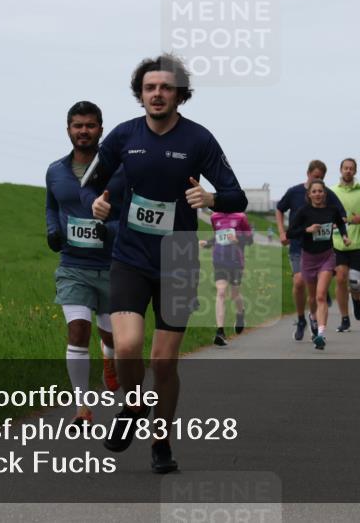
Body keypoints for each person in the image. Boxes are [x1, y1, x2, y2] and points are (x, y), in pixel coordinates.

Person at [89, 54, 247, 473]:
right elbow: (96, 185)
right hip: (130, 257)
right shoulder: (123, 136)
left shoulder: (199, 141)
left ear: (180, 94)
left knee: (163, 363)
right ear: (140, 95)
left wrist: (211, 199)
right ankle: (133, 406)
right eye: (149, 88)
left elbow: (236, 196)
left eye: (165, 88)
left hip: (178, 260)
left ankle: (161, 440)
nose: (157, 94)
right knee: (125, 346)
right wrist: (100, 204)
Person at [45, 102, 123, 426]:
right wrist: (52, 230)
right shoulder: (55, 170)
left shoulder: (117, 171)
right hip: (73, 265)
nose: (83, 131)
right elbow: (52, 206)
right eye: (77, 125)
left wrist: (110, 229)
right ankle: (82, 408)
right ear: (68, 130)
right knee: (78, 330)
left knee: (110, 338)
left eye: (90, 125)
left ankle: (109, 359)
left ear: (101, 129)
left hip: (113, 266)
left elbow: (129, 215)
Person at [276, 161, 343, 341]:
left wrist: (336, 225)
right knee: (298, 282)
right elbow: (279, 209)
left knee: (315, 293)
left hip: (321, 249)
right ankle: (300, 319)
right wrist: (282, 232)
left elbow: (340, 215)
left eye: (321, 178)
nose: (318, 181)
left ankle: (314, 318)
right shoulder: (294, 192)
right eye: (315, 177)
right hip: (299, 246)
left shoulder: (326, 194)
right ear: (308, 174)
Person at [286, 180, 350, 350]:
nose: (317, 194)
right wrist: (307, 230)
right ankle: (313, 318)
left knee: (322, 295)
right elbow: (290, 232)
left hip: (327, 257)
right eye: (314, 191)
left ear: (325, 193)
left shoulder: (332, 210)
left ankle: (321, 334)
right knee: (312, 297)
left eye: (320, 191)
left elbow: (341, 222)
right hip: (308, 259)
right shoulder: (304, 212)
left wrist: (344, 236)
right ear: (309, 195)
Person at [331, 158, 360, 331]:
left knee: (355, 284)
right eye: (345, 168)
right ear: (341, 170)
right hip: (338, 243)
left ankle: (357, 300)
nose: (348, 171)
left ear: (355, 171)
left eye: (351, 168)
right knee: (341, 278)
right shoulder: (332, 191)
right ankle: (344, 318)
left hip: (357, 244)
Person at [199, 211, 253, 345]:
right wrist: (207, 243)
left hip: (236, 262)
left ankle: (240, 314)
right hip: (219, 260)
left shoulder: (241, 217)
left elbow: (250, 239)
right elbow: (218, 236)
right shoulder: (214, 216)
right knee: (221, 292)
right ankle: (220, 331)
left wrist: (238, 240)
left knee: (235, 294)